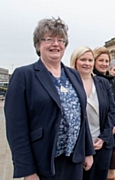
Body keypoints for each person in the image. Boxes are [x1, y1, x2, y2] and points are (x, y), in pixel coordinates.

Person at [4, 17, 95, 180]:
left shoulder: (73, 74)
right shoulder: (24, 76)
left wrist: (88, 151)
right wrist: (27, 171)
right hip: (43, 162)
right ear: (38, 45)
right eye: (49, 39)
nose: (56, 44)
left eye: (61, 40)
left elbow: (82, 117)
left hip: (74, 160)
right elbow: (16, 128)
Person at [70, 46, 115, 180]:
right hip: (77, 146)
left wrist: (103, 138)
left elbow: (111, 111)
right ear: (75, 61)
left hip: (101, 143)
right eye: (83, 59)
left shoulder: (103, 83)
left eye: (90, 60)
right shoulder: (68, 84)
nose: (87, 63)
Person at [93, 47, 115, 180]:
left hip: (112, 134)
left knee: (112, 174)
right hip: (94, 134)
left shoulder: (114, 81)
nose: (104, 64)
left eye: (107, 61)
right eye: (101, 60)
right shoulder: (90, 78)